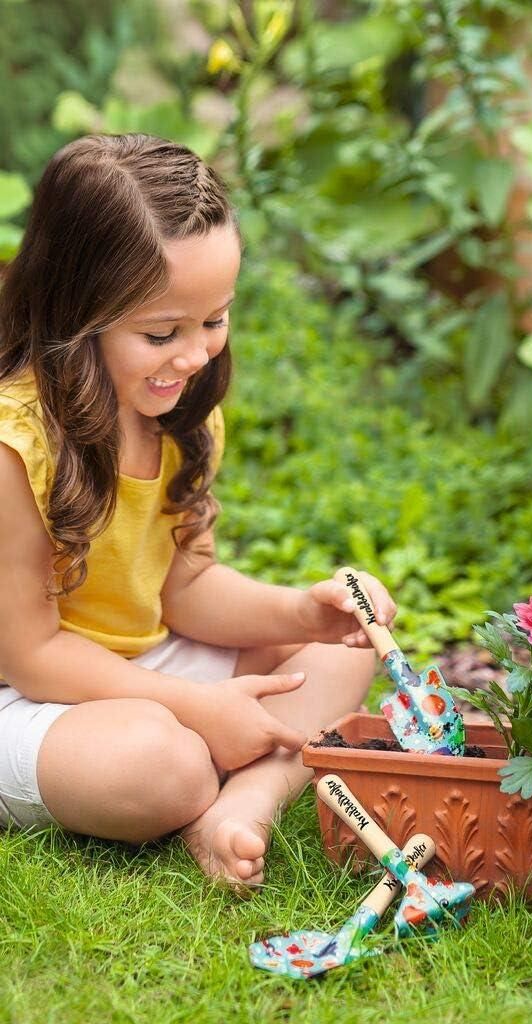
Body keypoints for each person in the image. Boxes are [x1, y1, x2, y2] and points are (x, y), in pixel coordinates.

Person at [0, 133, 395, 889]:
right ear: (77, 313)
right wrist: (196, 706)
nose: (193, 356)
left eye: (215, 319)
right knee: (163, 764)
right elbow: (32, 655)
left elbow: (185, 588)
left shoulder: (176, 412)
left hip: (140, 670)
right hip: (26, 695)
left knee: (345, 653)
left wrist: (305, 615)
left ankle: (244, 804)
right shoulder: (16, 446)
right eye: (161, 333)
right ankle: (200, 770)